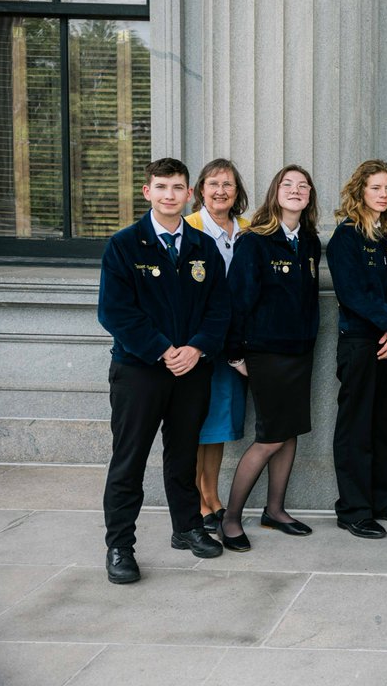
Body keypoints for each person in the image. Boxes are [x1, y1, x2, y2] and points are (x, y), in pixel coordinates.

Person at [97, 157, 228, 583]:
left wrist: (197, 348)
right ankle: (120, 546)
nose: (169, 195)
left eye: (177, 187)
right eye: (161, 187)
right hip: (140, 371)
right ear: (147, 192)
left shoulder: (203, 247)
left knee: (184, 455)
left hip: (192, 369)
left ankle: (187, 527)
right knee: (129, 459)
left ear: (189, 194)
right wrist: (162, 350)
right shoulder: (124, 245)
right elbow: (115, 312)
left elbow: (219, 310)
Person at [218, 166, 322, 552]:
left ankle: (275, 510)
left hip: (300, 352)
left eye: (303, 186)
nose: (296, 190)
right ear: (275, 193)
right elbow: (236, 300)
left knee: (289, 432)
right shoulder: (255, 241)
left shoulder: (308, 241)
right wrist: (234, 354)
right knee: (269, 437)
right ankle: (230, 519)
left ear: (310, 196)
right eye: (287, 184)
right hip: (266, 353)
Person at [326, 160, 387, 539]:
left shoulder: (386, 238)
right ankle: (353, 510)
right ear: (360, 191)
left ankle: (381, 501)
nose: (383, 194)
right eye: (376, 188)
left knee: (381, 427)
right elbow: (354, 295)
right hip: (360, 344)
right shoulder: (346, 237)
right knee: (356, 430)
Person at [184, 158, 249, 533]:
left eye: (228, 184)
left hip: (232, 343)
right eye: (213, 184)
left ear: (237, 192)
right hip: (199, 343)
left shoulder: (248, 230)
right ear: (200, 190)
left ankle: (212, 496)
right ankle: (197, 500)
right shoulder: (189, 228)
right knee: (197, 424)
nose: (220, 191)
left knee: (219, 425)